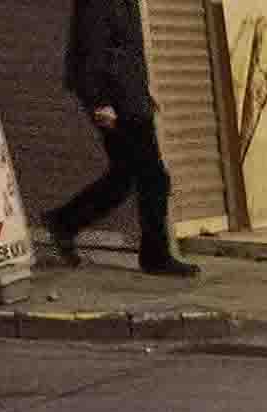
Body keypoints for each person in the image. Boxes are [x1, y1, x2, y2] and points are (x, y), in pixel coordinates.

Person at [42, 0, 199, 278]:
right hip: (114, 96)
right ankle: (155, 256)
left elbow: (127, 49)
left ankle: (65, 221)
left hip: (129, 94)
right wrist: (99, 100)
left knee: (125, 175)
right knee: (153, 177)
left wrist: (143, 93)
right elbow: (91, 46)